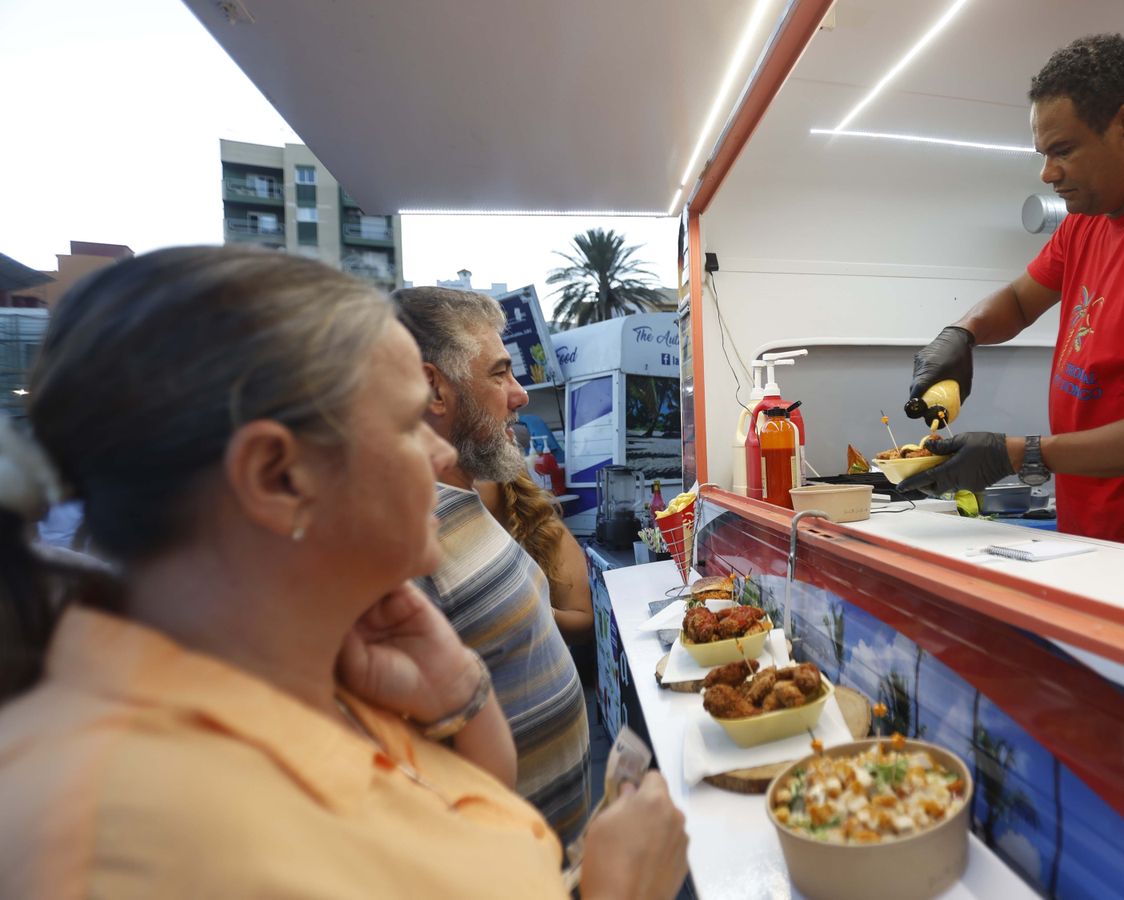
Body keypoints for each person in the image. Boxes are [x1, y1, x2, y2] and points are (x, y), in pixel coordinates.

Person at [0, 246, 687, 898]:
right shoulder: (141, 832)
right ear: (277, 476)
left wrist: (464, 703)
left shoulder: (300, 666)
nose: (440, 457)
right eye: (404, 422)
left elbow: (454, 845)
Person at [901, 33, 1124, 557]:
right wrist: (961, 334)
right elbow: (1021, 301)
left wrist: (1021, 454)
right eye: (1043, 154)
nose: (1048, 173)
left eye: (1063, 151)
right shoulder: (1089, 222)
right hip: (1091, 531)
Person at [391, 286, 591, 845]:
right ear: (434, 387)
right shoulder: (405, 540)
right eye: (500, 373)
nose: (520, 395)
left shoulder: (468, 498)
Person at [478, 470, 595, 645]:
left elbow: (583, 622)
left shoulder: (543, 532)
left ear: (503, 478)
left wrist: (536, 610)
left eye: (470, 474)